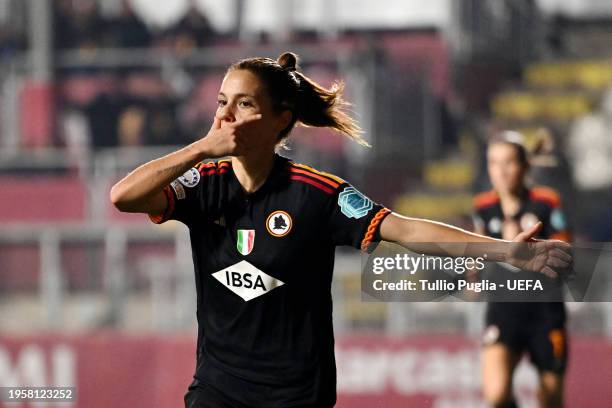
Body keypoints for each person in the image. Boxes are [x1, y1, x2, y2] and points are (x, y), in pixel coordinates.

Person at [110, 53, 571, 408]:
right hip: (218, 388)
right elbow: (123, 196)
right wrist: (200, 149)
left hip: (295, 394)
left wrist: (505, 252)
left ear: (281, 120)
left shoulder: (316, 194)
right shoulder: (203, 186)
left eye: (244, 103)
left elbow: (404, 230)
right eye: (221, 102)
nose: (226, 115)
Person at [473, 131, 571, 408]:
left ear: (524, 166)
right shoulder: (484, 207)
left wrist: (528, 249)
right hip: (504, 310)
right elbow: (476, 252)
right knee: (496, 394)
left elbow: (566, 254)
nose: (501, 172)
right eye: (494, 163)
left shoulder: (546, 202)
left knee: (551, 399)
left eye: (508, 163)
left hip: (545, 311)